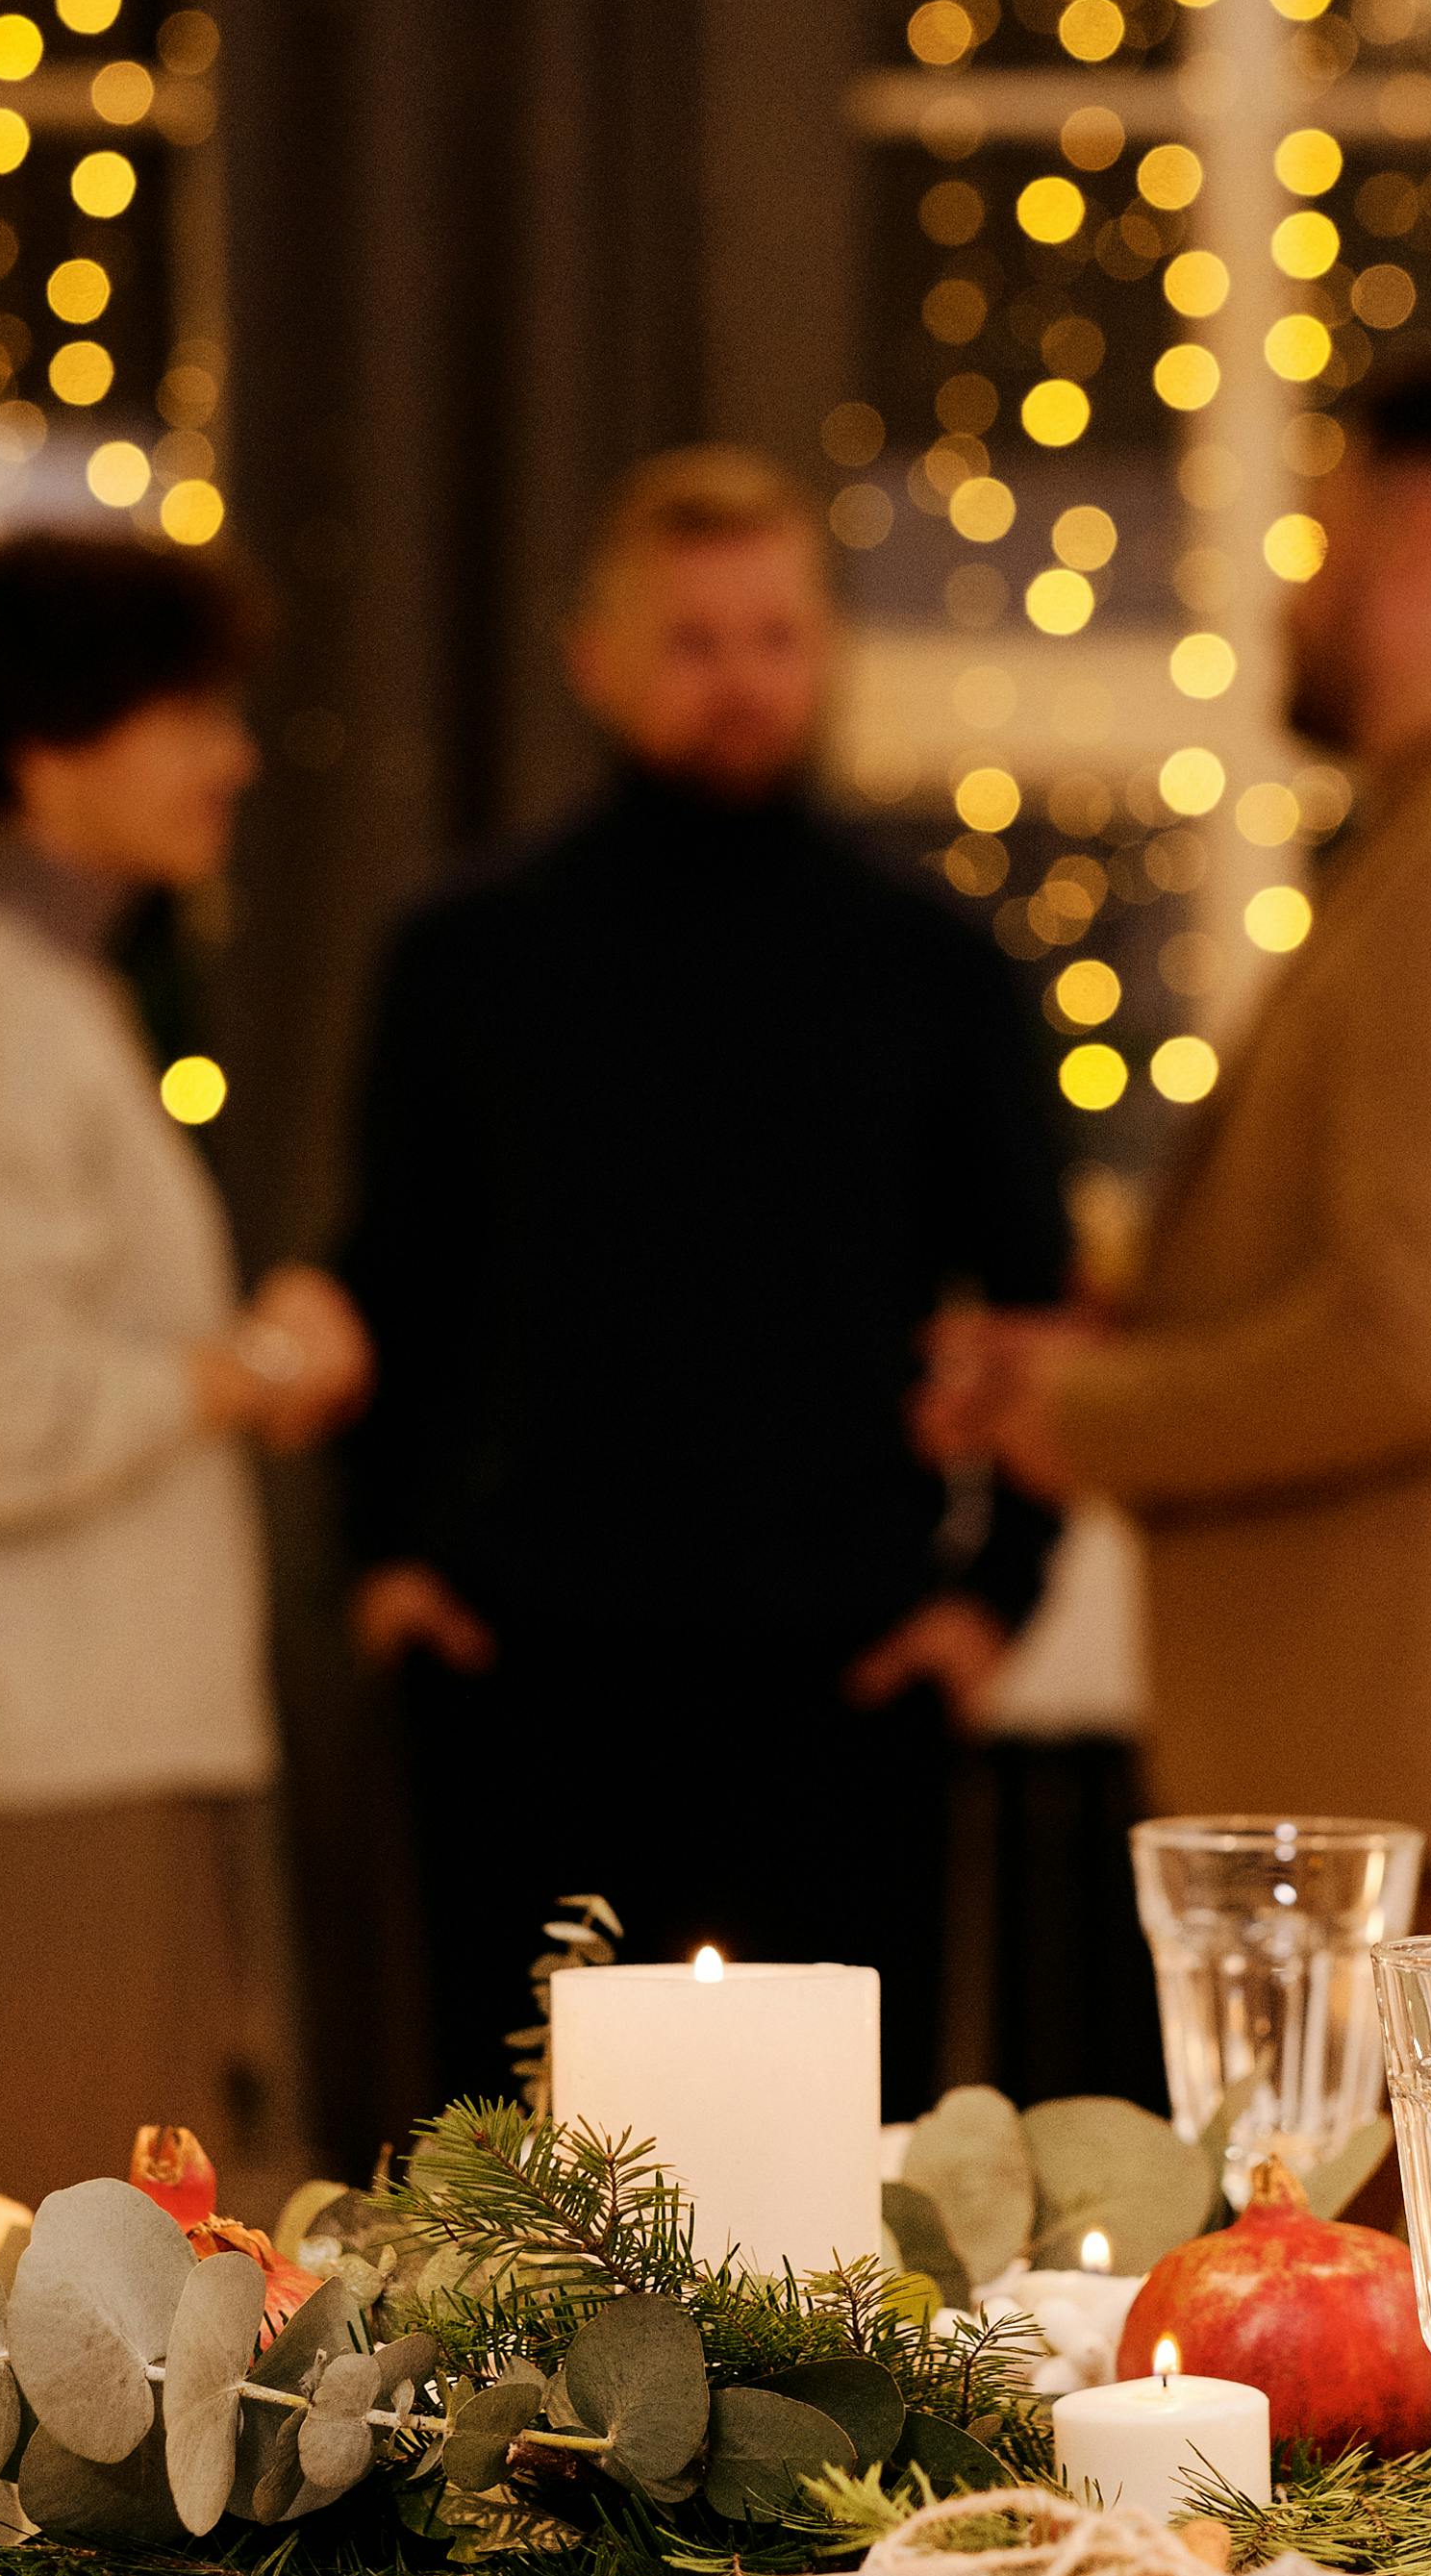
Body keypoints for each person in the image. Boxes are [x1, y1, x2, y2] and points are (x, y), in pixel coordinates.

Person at [924, 364, 1431, 1930]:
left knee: (1424, 2193)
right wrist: (1123, 1335)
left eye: (1316, 532)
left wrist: (1089, 1415)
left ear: (1418, 534)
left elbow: (1419, 1337)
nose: (1293, 590)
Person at [342, 447, 1071, 2117]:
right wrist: (384, 1559)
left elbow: (1036, 1298)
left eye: (775, 638)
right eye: (694, 642)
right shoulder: (465, 957)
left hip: (844, 1689)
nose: (741, 681)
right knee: (511, 2198)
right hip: (525, 1685)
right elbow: (393, 1275)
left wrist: (1001, 1593)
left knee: (835, 2217)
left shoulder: (933, 968)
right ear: (593, 658)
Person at [0, 528, 366, 2194]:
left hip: (56, 1731)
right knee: (57, 2267)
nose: (234, 758)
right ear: (51, 752)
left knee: (98, 2253)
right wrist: (247, 1366)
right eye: (188, 714)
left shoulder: (35, 988)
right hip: (38, 1750)